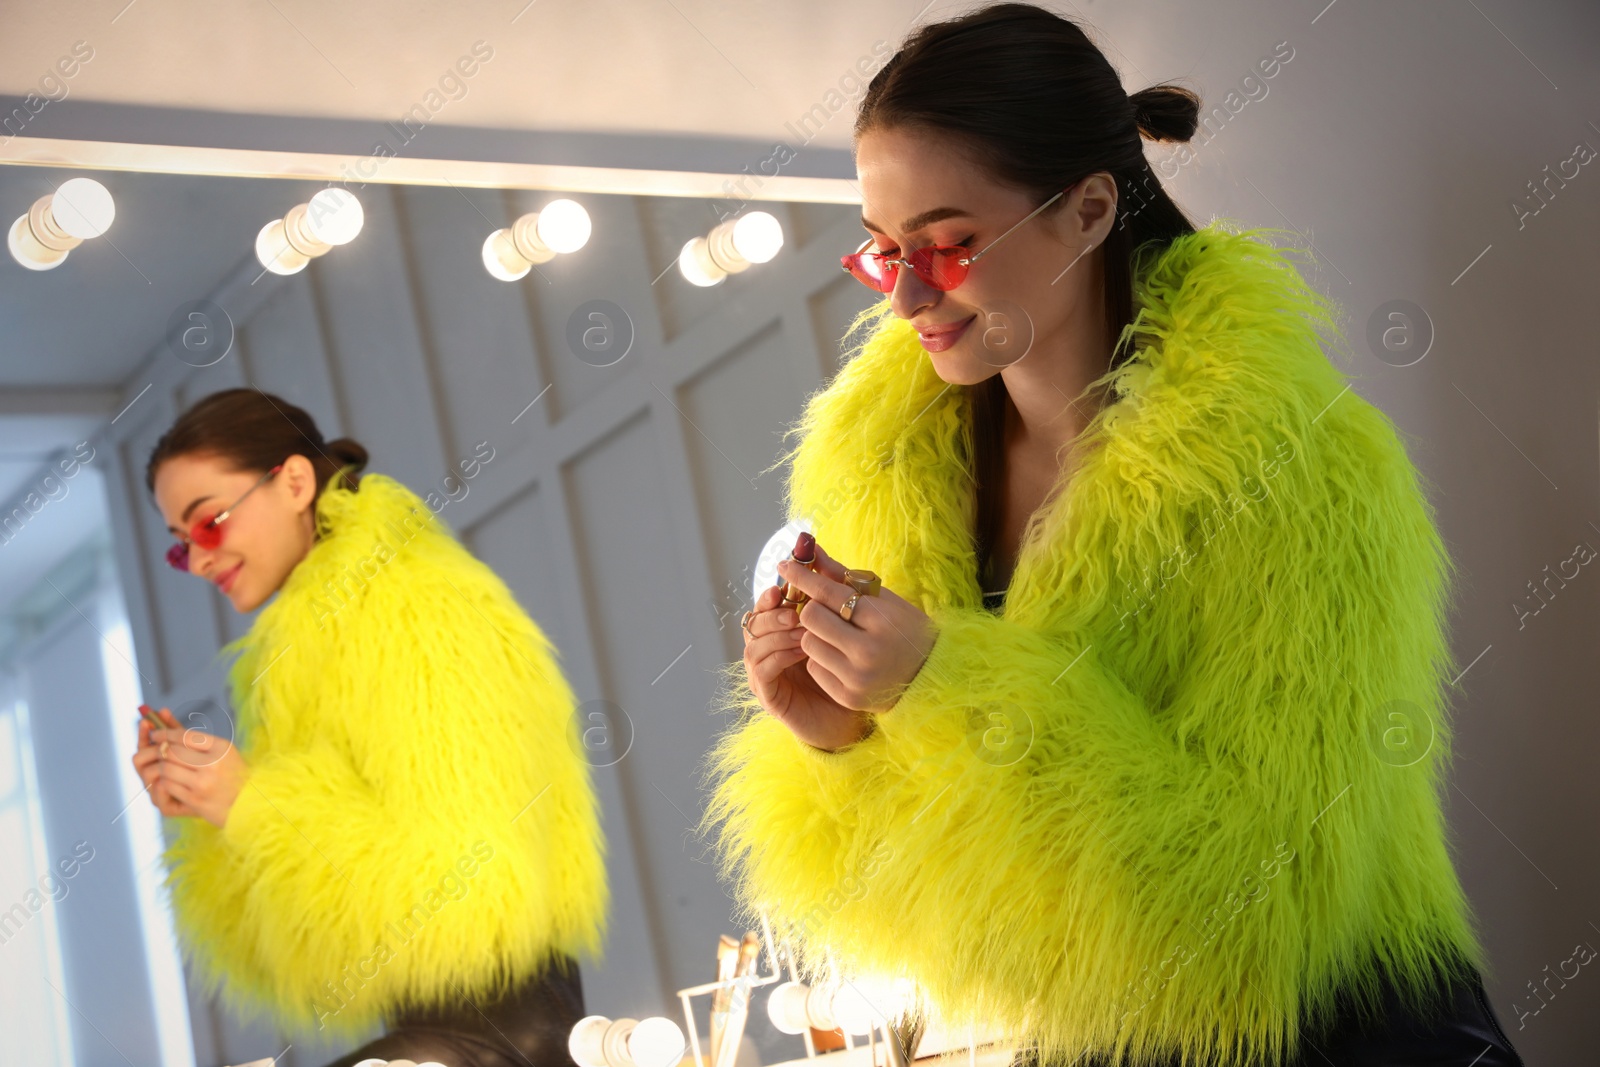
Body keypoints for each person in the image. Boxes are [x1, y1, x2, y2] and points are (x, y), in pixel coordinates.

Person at [705, 5, 1523, 1065]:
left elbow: (1253, 916)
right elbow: (950, 910)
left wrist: (945, 684)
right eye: (880, 252)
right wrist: (837, 737)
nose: (906, 293)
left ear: (1089, 208)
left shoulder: (1298, 474)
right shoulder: (885, 478)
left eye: (949, 245)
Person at [132, 388, 607, 1067]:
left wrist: (252, 803)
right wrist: (212, 814)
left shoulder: (410, 608)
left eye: (207, 523)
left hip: (503, 1035)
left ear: (294, 481)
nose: (200, 561)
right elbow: (310, 944)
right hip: (439, 1030)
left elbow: (470, 892)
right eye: (181, 548)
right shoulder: (306, 653)